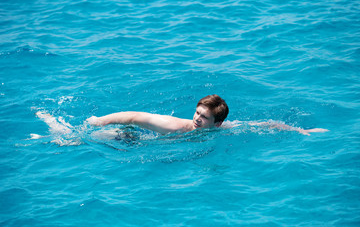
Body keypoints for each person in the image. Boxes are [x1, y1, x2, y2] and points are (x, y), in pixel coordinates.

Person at [86, 94, 328, 136]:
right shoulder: (175, 126)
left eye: (203, 117)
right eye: (197, 112)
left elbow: (264, 125)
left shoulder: (224, 128)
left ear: (218, 123)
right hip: (132, 137)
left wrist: (300, 130)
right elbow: (133, 116)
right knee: (99, 136)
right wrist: (99, 121)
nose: (197, 118)